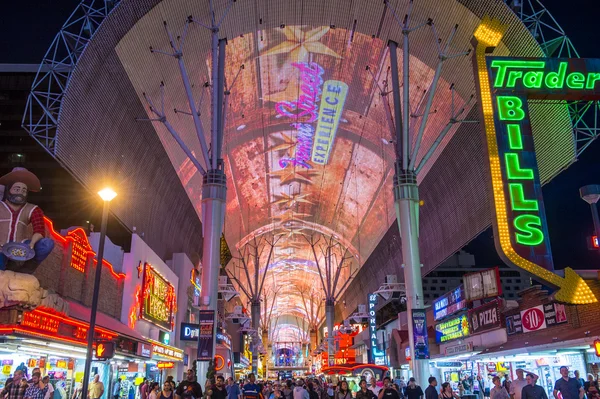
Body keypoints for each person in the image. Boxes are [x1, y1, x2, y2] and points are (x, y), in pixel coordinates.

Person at [0, 168, 55, 273]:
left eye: (24, 190)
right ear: (8, 189)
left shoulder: (33, 209)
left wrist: (32, 244)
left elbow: (39, 230)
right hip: (1, 246)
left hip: (20, 245)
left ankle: (27, 268)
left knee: (47, 244)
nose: (20, 192)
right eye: (17, 189)